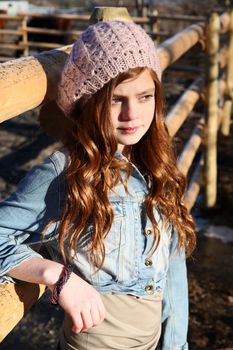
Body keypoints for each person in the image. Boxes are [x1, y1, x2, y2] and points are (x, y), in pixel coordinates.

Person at [0, 19, 196, 350]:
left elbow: (173, 270)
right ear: (87, 103)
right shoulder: (64, 174)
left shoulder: (159, 166)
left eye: (145, 96)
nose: (132, 113)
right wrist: (55, 276)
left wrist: (177, 344)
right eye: (116, 99)